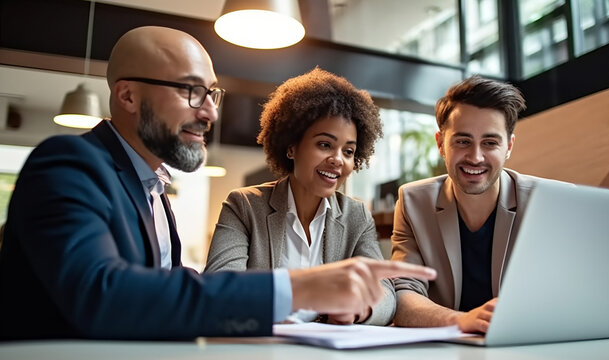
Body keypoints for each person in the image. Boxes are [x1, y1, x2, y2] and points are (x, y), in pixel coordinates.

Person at [0, 26, 436, 341]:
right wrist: (300, 287)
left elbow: (168, 288)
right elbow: (101, 294)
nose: (209, 112)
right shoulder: (69, 163)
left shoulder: (150, 186)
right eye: (192, 91)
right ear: (128, 96)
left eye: (212, 94)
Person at [204, 68, 394, 325]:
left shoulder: (356, 217)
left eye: (348, 151)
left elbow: (386, 295)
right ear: (291, 147)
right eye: (324, 144)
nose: (338, 160)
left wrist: (360, 310)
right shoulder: (244, 206)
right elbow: (219, 288)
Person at [392, 75, 560, 333]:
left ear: (509, 147)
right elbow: (403, 299)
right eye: (463, 141)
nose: (476, 157)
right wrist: (461, 320)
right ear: (440, 144)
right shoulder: (413, 203)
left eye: (490, 143)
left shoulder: (548, 202)